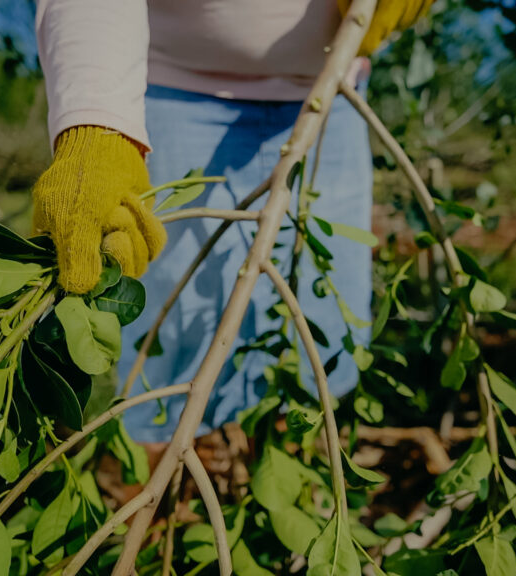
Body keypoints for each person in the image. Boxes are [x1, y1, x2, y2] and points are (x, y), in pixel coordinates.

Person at [32, 0, 432, 445]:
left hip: (332, 93)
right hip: (170, 90)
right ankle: (171, 487)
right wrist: (96, 123)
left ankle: (297, 470)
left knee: (323, 342)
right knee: (172, 344)